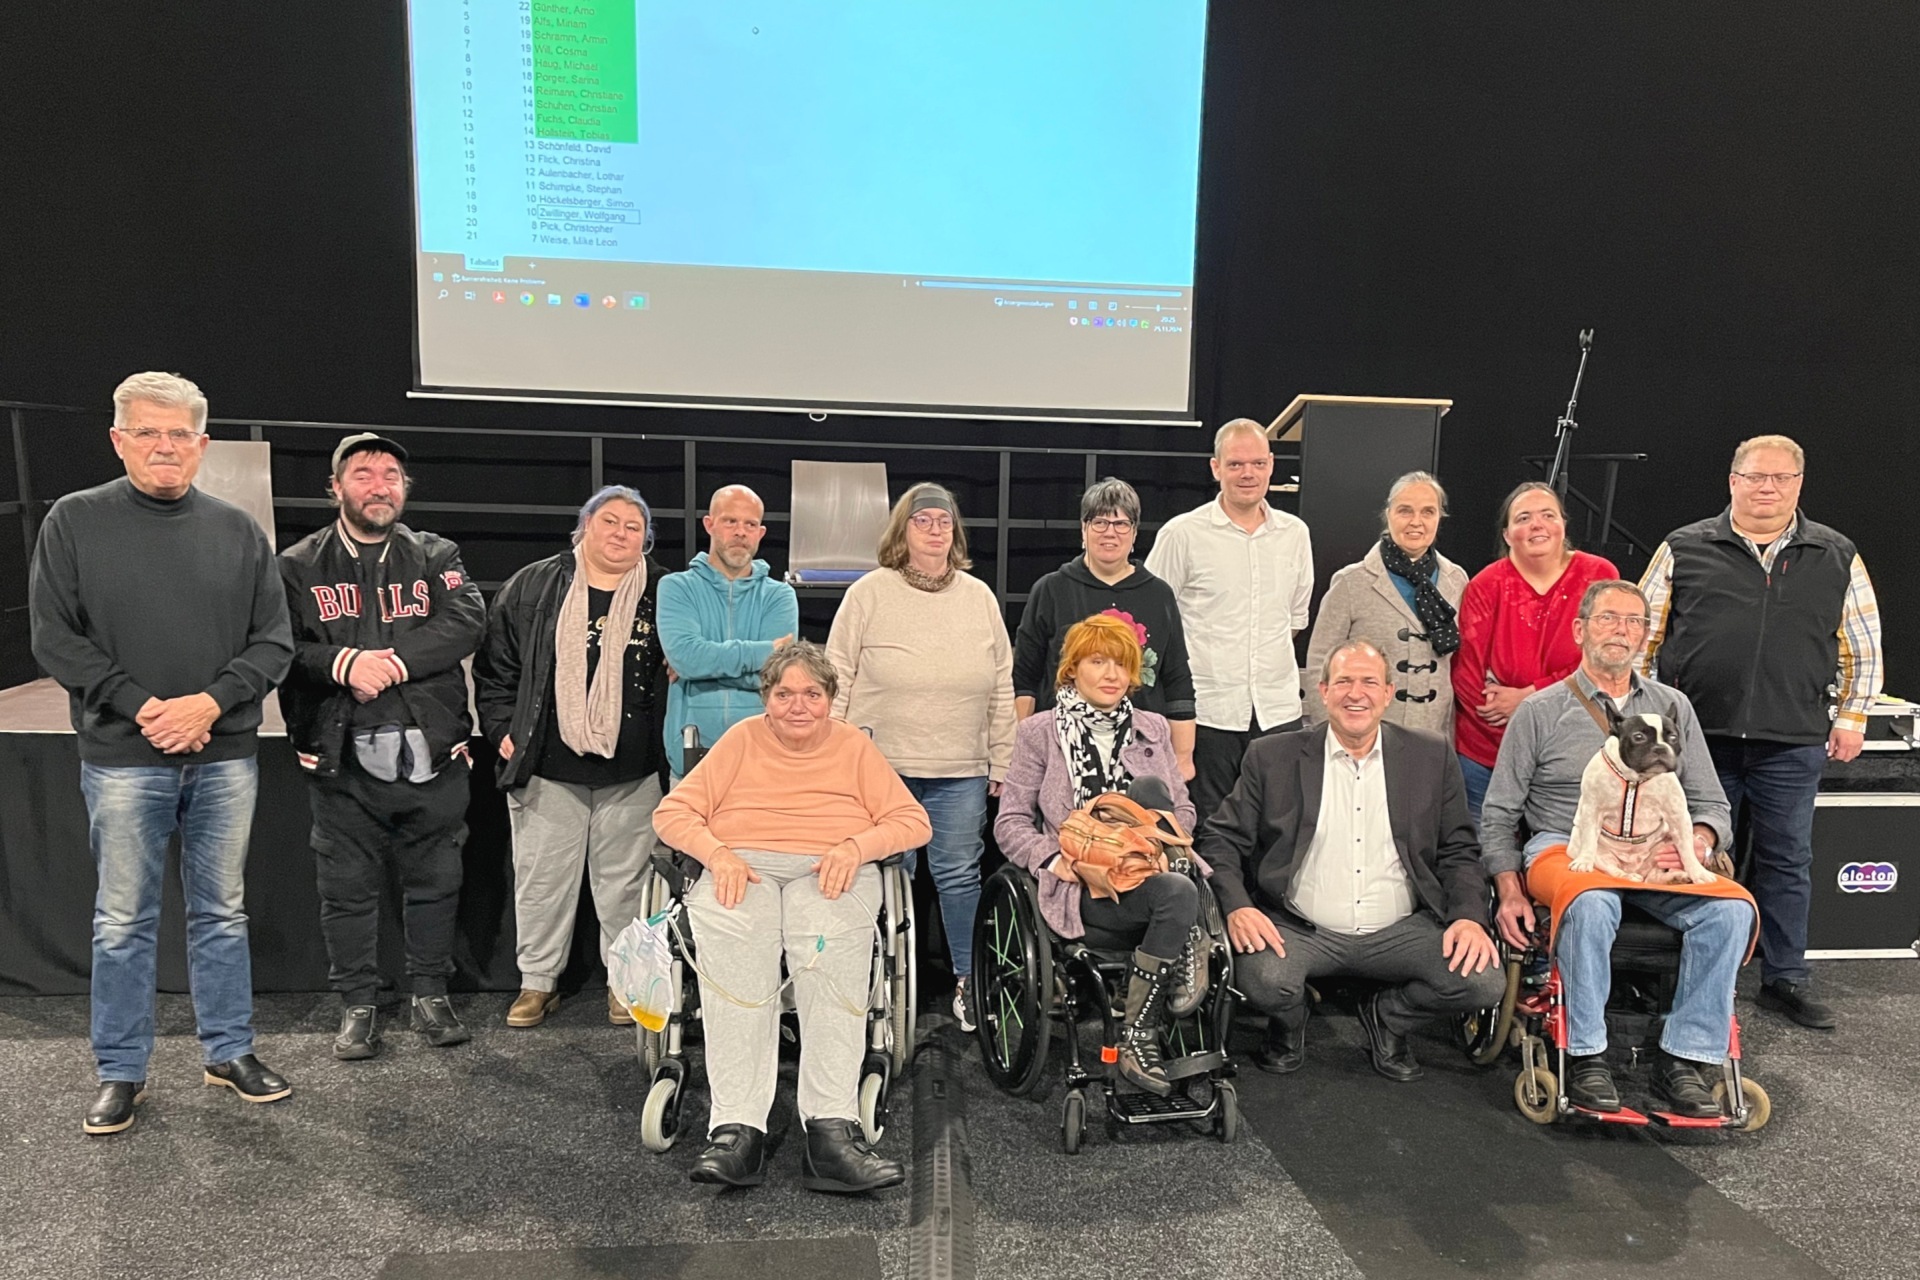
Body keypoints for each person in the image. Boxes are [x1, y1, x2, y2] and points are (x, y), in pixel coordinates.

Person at [28, 372, 294, 1134]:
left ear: (203, 445)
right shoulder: (73, 522)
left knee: (222, 913)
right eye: (148, 432)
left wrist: (208, 704)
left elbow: (273, 639)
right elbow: (55, 637)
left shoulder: (238, 530)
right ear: (118, 440)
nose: (165, 447)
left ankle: (228, 1051)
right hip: (122, 754)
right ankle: (121, 1070)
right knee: (121, 920)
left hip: (222, 753)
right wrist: (146, 708)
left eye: (180, 434)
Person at [652, 642, 931, 1193]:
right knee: (737, 961)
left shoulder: (853, 747)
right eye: (784, 694)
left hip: (828, 865)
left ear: (830, 699)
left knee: (830, 962)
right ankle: (737, 1130)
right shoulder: (740, 741)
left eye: (812, 694)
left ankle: (830, 1130)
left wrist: (857, 846)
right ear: (766, 699)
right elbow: (672, 811)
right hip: (742, 866)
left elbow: (911, 820)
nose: (797, 705)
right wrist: (717, 853)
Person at [1482, 580, 1757, 1117]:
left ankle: (1685, 1057)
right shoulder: (1540, 712)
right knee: (1591, 902)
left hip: (1655, 852)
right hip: (1565, 844)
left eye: (1634, 621)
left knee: (1729, 913)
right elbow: (1498, 813)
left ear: (1645, 636)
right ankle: (1586, 1056)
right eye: (1609, 618)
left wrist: (1697, 843)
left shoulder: (1672, 708)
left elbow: (1711, 804)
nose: (1622, 630)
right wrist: (1508, 891)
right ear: (1581, 630)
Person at [1639, 435, 1881, 1030]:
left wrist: (1852, 716)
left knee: (1786, 859)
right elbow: (1641, 633)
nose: (1767, 488)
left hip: (1791, 740)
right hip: (1697, 741)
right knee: (1688, 851)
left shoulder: (1837, 554)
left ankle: (1785, 978)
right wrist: (1646, 723)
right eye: (1755, 477)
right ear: (1733, 481)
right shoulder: (1684, 546)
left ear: (1798, 484)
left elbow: (1863, 643)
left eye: (1780, 478)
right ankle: (1674, 975)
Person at [1200, 641, 1503, 1083]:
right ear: (1322, 691)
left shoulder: (1430, 755)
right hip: (1300, 927)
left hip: (1402, 928)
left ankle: (1388, 1018)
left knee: (1484, 981)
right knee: (1261, 977)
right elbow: (1220, 838)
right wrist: (1237, 906)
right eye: (1343, 681)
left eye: (1368, 682)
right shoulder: (1272, 756)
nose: (1355, 693)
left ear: (1388, 692)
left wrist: (1469, 917)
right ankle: (1291, 1020)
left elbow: (1459, 848)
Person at [279, 433, 487, 1057]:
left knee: (437, 881)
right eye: (364, 474)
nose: (379, 485)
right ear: (336, 487)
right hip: (342, 759)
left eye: (391, 474)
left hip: (433, 754)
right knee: (346, 891)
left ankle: (430, 991)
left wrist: (390, 662)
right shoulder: (297, 565)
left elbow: (466, 620)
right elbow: (278, 646)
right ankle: (358, 1004)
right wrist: (342, 662)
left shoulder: (435, 553)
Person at [474, 486, 670, 1029]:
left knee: (626, 887)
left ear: (646, 539)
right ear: (583, 527)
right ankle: (537, 983)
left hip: (634, 771)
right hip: (548, 767)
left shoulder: (665, 591)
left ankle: (623, 984)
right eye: (609, 521)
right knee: (542, 880)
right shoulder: (535, 585)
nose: (621, 533)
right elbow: (495, 670)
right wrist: (500, 730)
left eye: (634, 526)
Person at [825, 482, 1015, 1033]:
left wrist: (1001, 758)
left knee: (958, 875)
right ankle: (883, 982)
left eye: (944, 521)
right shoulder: (869, 592)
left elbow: (1001, 683)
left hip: (960, 767)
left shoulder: (979, 596)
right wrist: (836, 754)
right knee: (891, 875)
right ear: (901, 530)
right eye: (922, 520)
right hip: (883, 766)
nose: (935, 530)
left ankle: (967, 981)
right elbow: (837, 674)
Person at [995, 614, 1206, 1095]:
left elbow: (1185, 809)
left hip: (1154, 873)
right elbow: (1009, 824)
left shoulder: (1152, 727)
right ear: (1072, 670)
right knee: (1179, 888)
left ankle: (1137, 1033)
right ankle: (1175, 960)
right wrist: (1054, 860)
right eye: (1098, 661)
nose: (1112, 674)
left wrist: (1147, 838)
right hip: (1086, 887)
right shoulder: (1039, 733)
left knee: (1154, 800)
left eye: (1121, 663)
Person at [1145, 418, 1313, 829]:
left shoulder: (1295, 534)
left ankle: (1264, 898)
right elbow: (1154, 622)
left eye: (1257, 463)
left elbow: (1292, 621)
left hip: (1277, 713)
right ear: (1215, 468)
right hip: (1208, 715)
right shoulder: (1182, 534)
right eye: (1236, 464)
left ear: (1271, 465)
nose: (1248, 474)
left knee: (1277, 831)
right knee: (1211, 829)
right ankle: (1213, 899)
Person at [1451, 482, 1618, 819]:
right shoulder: (1485, 585)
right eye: (1524, 518)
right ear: (1508, 534)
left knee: (1561, 855)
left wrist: (1528, 700)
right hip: (1486, 749)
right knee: (1483, 857)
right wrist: (1512, 726)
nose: (1537, 525)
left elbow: (1601, 666)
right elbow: (1466, 674)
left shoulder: (1599, 575)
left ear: (1563, 525)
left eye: (1548, 515)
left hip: (1571, 748)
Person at [1012, 478, 1196, 778]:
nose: (1110, 532)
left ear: (1134, 533)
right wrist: (1024, 748)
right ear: (1083, 530)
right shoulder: (1051, 589)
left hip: (1142, 748)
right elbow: (1025, 678)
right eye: (1100, 522)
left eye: (1121, 524)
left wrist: (1183, 757)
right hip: (1060, 749)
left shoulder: (1159, 594)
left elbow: (1177, 679)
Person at [1304, 471, 1468, 735]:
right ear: (1388, 514)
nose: (1416, 522)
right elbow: (1319, 663)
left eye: (1428, 512)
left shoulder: (1456, 580)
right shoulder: (1351, 583)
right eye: (1405, 511)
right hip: (1364, 738)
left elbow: (1462, 663)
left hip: (1435, 737)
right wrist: (1330, 733)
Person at [656, 484, 799, 779]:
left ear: (760, 533)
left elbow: (777, 675)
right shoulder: (677, 587)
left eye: (750, 524)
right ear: (709, 525)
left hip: (763, 758)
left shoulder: (779, 596)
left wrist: (703, 666)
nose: (740, 532)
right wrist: (766, 651)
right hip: (691, 759)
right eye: (730, 521)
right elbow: (687, 658)